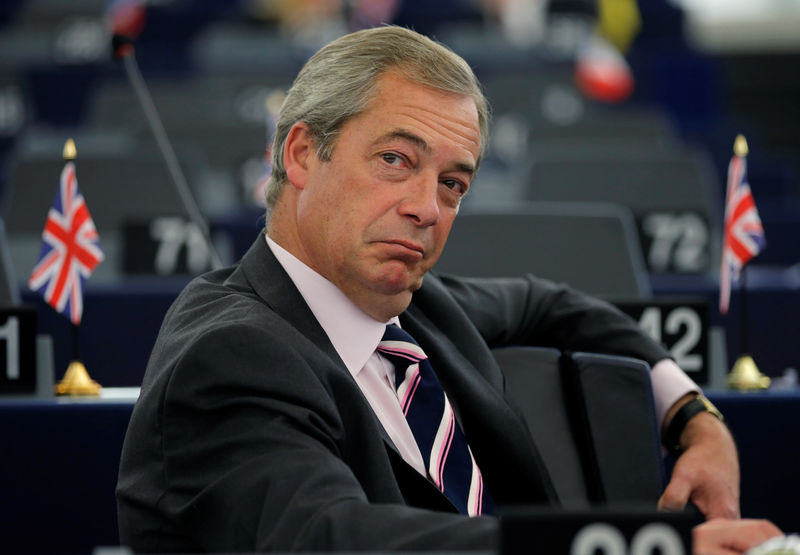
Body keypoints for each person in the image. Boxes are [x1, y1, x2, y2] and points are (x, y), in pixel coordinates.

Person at [116, 25, 776, 553]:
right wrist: (637, 548)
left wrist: (694, 419)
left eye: (453, 183)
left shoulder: (418, 306)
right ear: (299, 154)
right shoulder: (229, 353)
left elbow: (552, 304)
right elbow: (333, 538)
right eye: (395, 160)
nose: (428, 207)